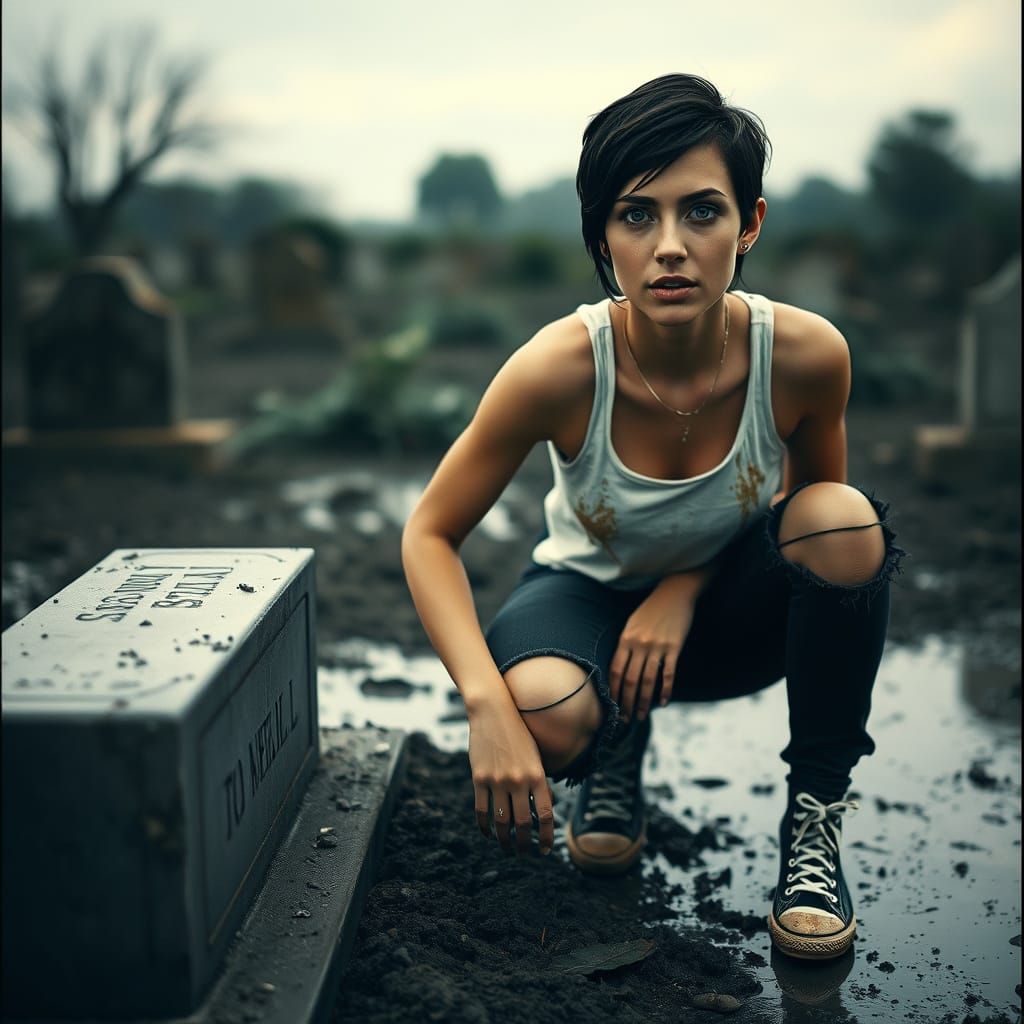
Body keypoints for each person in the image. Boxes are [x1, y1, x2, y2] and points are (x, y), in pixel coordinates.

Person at [401, 72, 904, 961]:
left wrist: (680, 586)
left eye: (701, 212)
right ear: (602, 232)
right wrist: (482, 707)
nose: (670, 246)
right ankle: (614, 746)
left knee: (847, 523)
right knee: (544, 713)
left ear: (748, 224)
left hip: (719, 623)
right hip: (586, 595)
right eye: (637, 215)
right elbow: (429, 533)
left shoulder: (805, 355)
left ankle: (814, 827)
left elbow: (808, 522)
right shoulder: (558, 368)